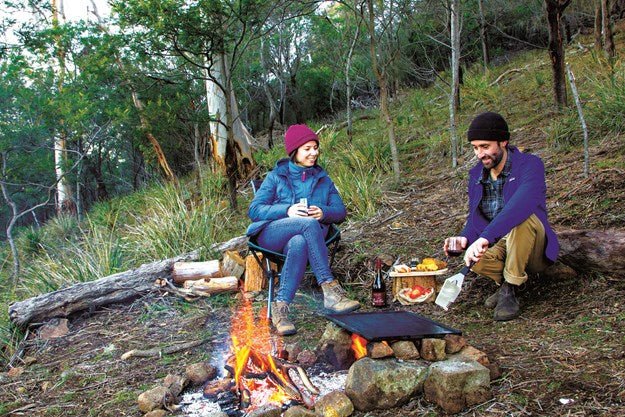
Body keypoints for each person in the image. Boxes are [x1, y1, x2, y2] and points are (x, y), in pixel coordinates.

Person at [443, 112, 559, 321]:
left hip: (533, 247)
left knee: (521, 219)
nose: (480, 154)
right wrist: (465, 238)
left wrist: (485, 238)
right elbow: (475, 217)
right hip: (501, 245)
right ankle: (507, 284)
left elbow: (521, 205)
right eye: (475, 148)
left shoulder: (530, 165)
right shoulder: (477, 175)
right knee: (474, 257)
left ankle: (511, 287)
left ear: (503, 141)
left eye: (485, 147)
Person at [247, 124, 360, 335]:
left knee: (299, 240)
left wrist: (323, 212)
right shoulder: (276, 177)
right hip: (274, 233)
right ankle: (329, 287)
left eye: (315, 147)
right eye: (307, 148)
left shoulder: (323, 179)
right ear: (295, 151)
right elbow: (254, 210)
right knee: (306, 224)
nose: (314, 153)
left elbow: (340, 211)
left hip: (308, 239)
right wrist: (287, 210)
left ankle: (280, 311)